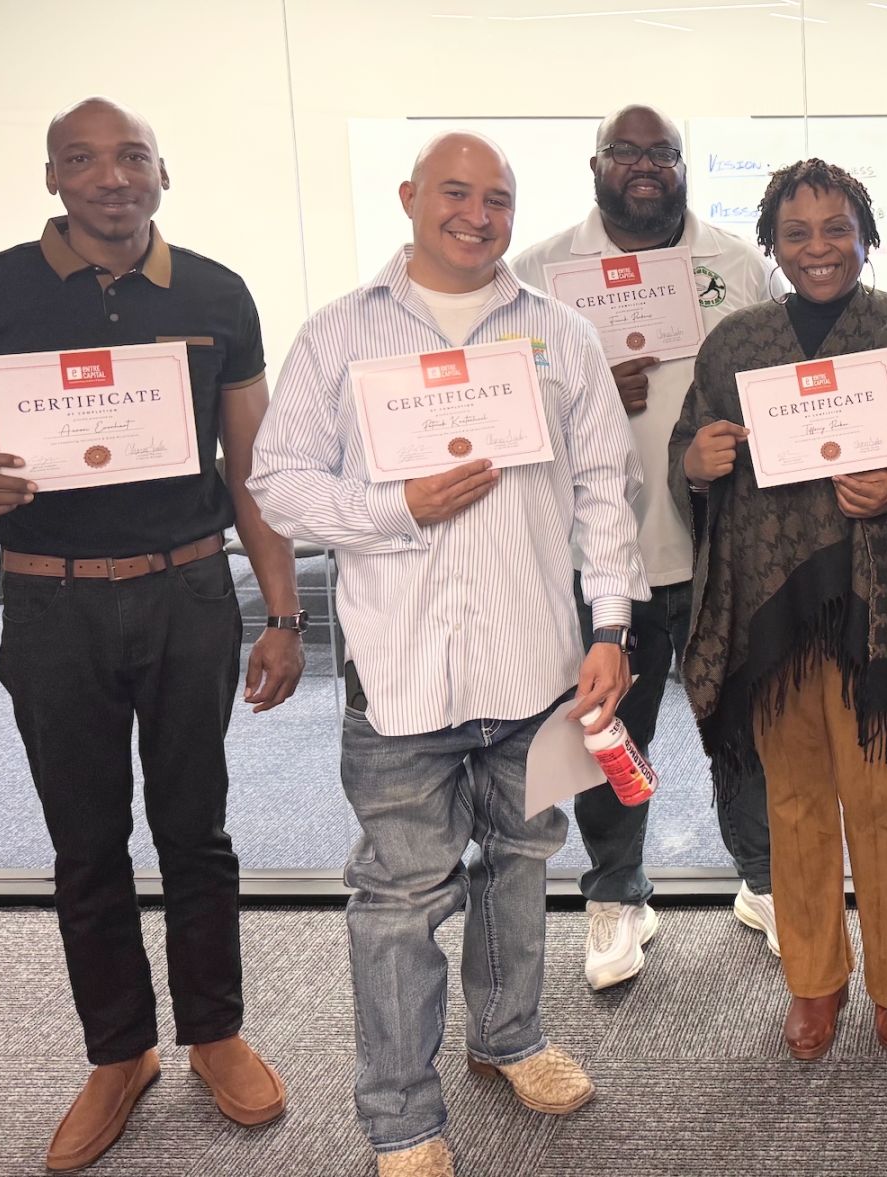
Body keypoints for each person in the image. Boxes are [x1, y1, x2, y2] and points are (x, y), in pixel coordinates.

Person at [250, 133, 645, 1177]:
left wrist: (610, 625)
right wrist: (396, 509)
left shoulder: (560, 333)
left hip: (533, 666)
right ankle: (400, 1118)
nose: (477, 215)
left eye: (497, 199)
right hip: (401, 678)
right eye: (455, 193)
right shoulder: (339, 333)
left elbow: (606, 487)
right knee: (398, 904)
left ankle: (509, 1037)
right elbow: (277, 481)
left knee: (520, 866)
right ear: (409, 197)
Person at [0, 98, 300, 1172]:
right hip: (49, 603)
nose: (112, 176)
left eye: (133, 155)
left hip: (187, 591)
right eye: (84, 158)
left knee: (198, 829)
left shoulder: (215, 293)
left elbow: (253, 471)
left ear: (162, 171)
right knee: (85, 842)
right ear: (53, 176)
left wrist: (283, 613)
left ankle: (214, 1032)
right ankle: (118, 1052)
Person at [673, 158, 887, 1062]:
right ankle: (814, 977)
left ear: (866, 235)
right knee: (794, 798)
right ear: (772, 243)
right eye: (796, 233)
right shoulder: (735, 343)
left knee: (881, 793)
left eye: (837, 228)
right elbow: (688, 446)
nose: (818, 248)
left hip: (879, 595)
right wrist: (697, 462)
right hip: (771, 604)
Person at [510, 103, 779, 990]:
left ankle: (765, 882)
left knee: (742, 727)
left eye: (661, 151)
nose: (645, 165)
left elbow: (779, 389)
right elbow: (496, 416)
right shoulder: (538, 272)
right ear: (595, 164)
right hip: (597, 560)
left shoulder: (735, 264)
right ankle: (617, 891)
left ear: (682, 165)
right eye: (625, 151)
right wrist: (576, 392)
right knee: (607, 734)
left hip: (719, 548)